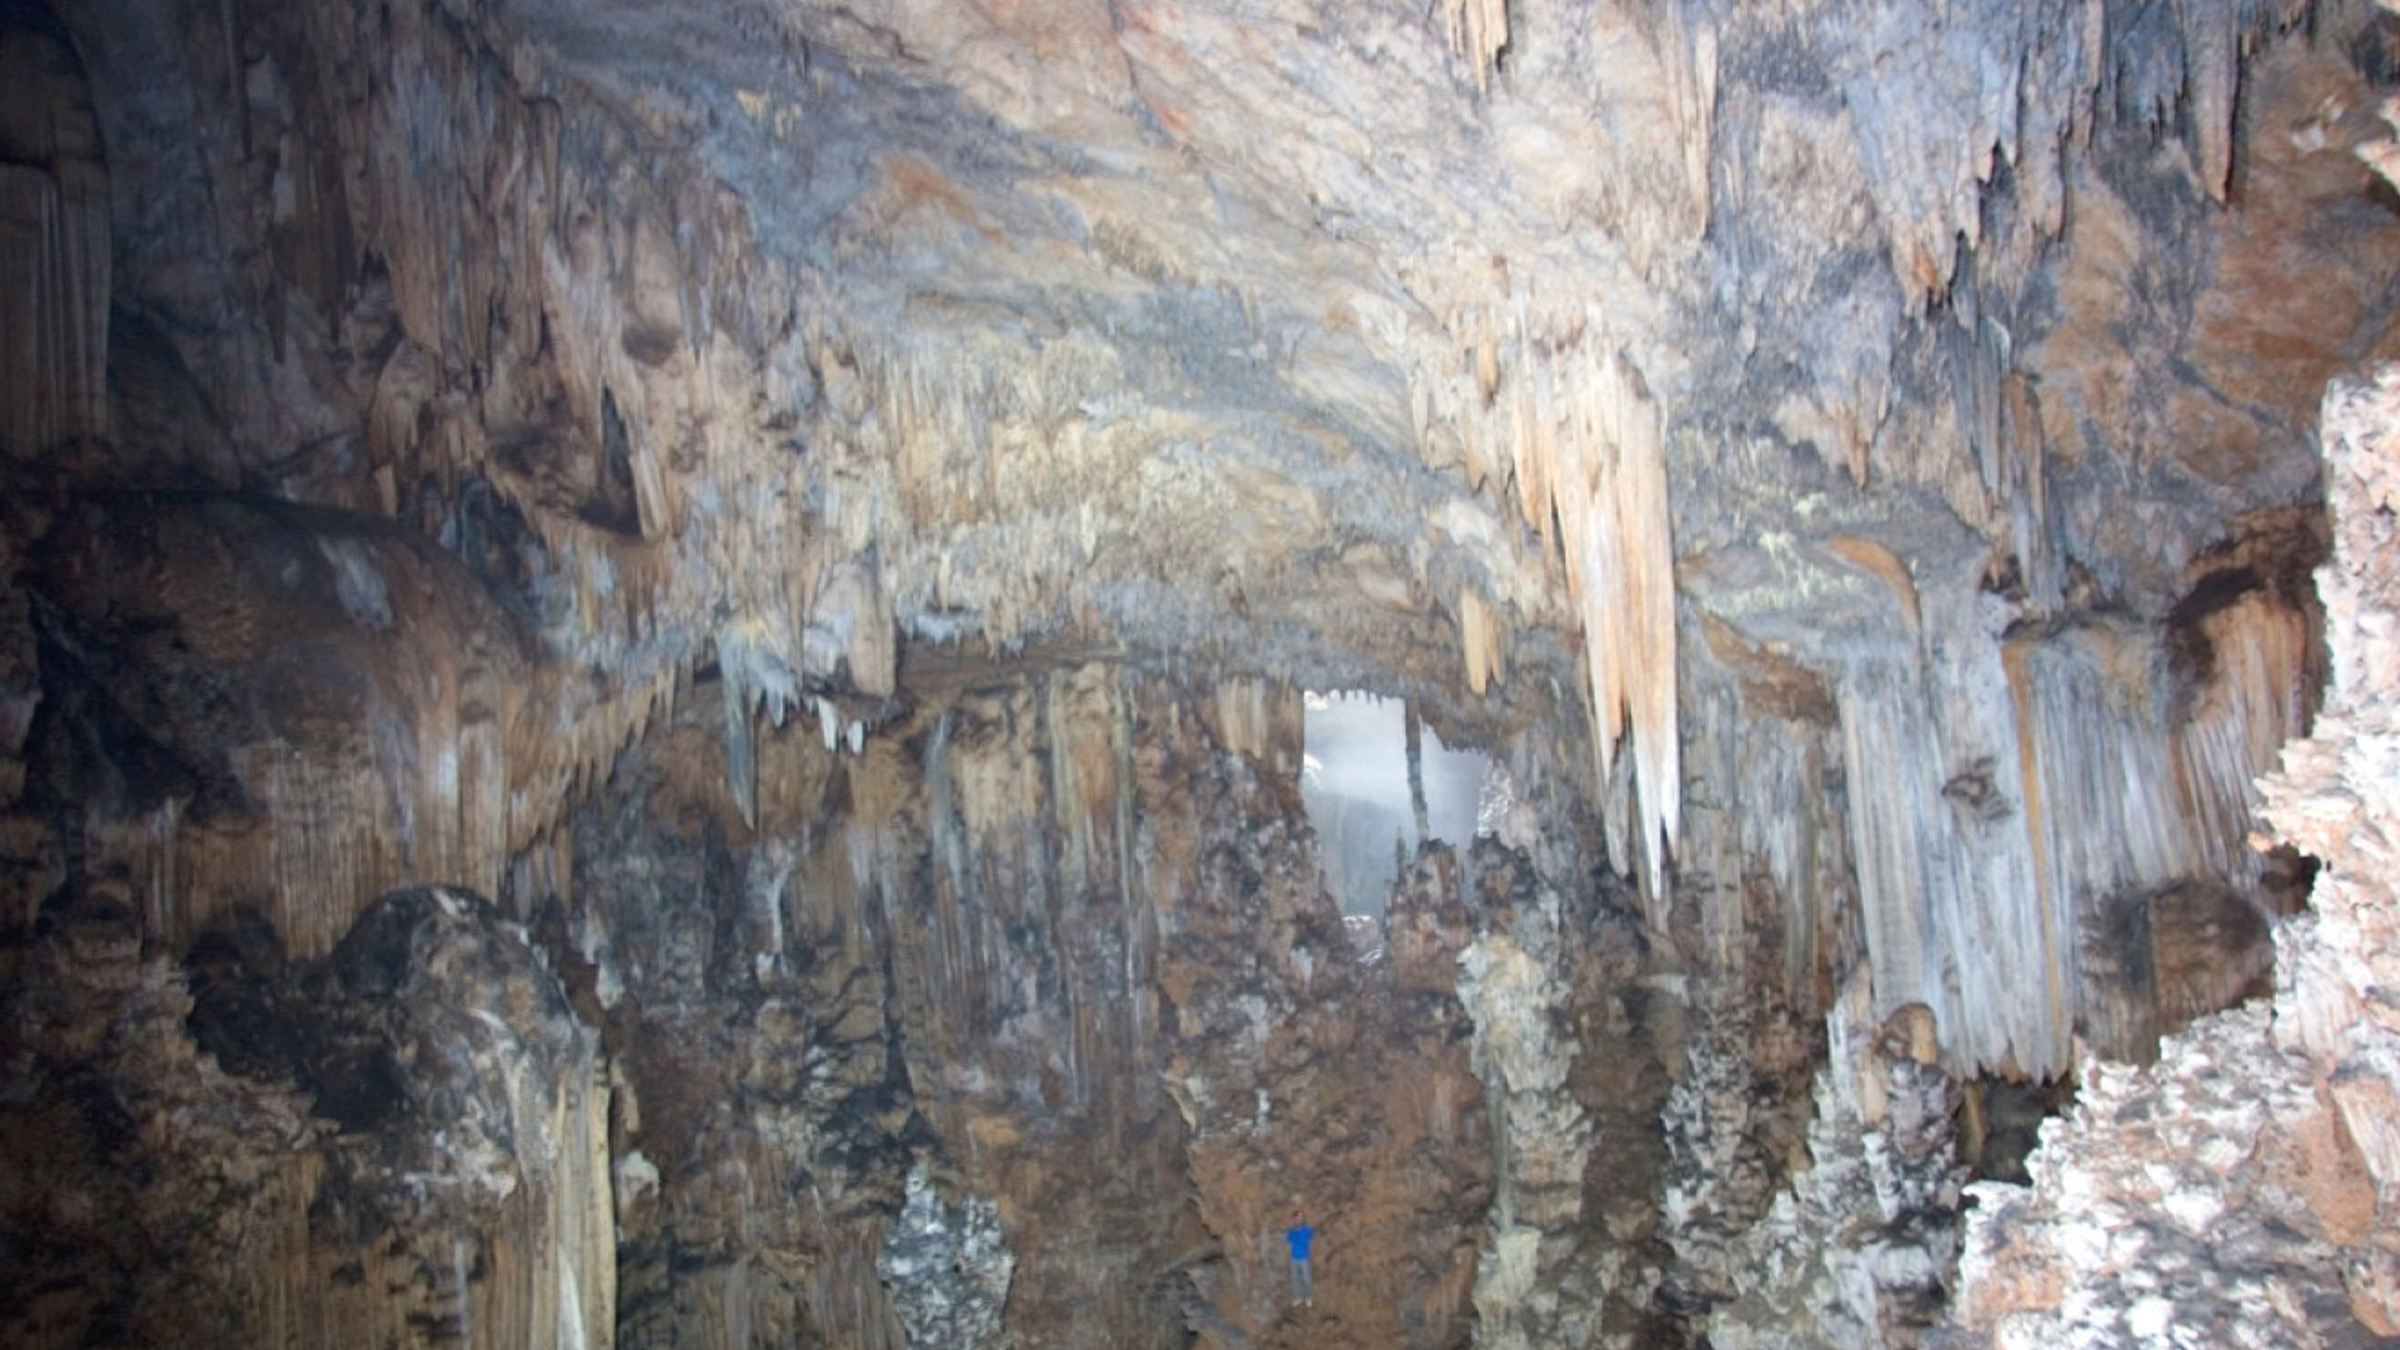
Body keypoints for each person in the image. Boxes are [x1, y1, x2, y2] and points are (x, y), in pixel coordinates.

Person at [1285, 1209, 1316, 1306]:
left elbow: (1313, 1237)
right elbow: (1288, 1243)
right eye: (1297, 1217)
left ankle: (1308, 1297)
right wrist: (1290, 1253)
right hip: (1294, 1258)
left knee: (1306, 1279)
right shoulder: (1291, 1231)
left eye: (1301, 1217)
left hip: (1304, 1258)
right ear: (1294, 1219)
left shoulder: (1308, 1229)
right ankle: (1298, 1298)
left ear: (1303, 1218)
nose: (1299, 1219)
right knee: (1295, 1279)